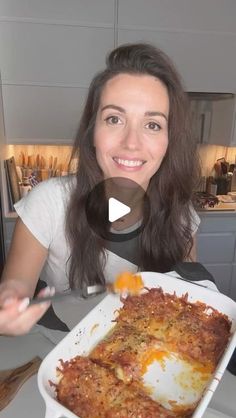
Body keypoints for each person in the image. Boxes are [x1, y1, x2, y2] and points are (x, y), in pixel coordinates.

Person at [0, 42, 200, 336]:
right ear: (92, 131)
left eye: (153, 125)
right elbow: (16, 286)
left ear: (169, 141)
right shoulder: (49, 203)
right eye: (114, 119)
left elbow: (186, 301)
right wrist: (10, 304)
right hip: (61, 352)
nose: (131, 143)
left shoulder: (181, 216)